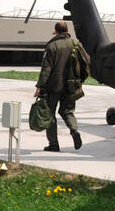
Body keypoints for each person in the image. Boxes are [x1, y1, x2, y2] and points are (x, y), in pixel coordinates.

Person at [35, 21, 86, 151]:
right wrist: (80, 80)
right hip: (71, 86)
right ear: (67, 30)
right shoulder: (76, 44)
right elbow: (87, 62)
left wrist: (40, 86)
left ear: (56, 31)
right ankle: (74, 130)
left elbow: (46, 69)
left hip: (53, 87)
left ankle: (54, 144)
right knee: (67, 111)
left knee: (50, 114)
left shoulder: (52, 46)